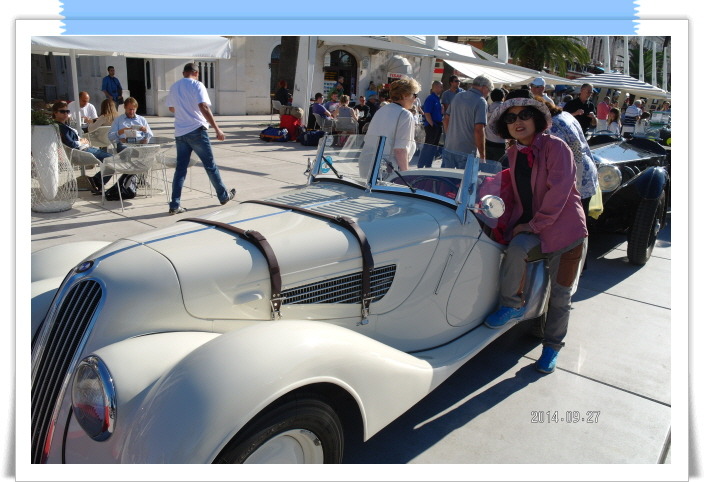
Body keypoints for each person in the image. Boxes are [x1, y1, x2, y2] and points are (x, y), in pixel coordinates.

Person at [485, 94, 588, 374]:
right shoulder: (514, 152)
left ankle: (552, 347)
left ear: (537, 119)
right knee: (516, 248)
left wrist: (533, 225)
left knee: (560, 296)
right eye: (510, 118)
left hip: (566, 233)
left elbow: (560, 192)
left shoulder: (556, 147)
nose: (517, 122)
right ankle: (512, 304)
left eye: (524, 115)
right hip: (534, 227)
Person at [166, 62, 236, 215]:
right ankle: (223, 196)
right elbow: (203, 106)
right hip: (196, 130)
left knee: (180, 169)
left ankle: (174, 204)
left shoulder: (174, 87)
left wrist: (183, 109)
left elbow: (171, 107)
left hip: (180, 132)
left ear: (184, 73)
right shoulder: (197, 85)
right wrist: (217, 128)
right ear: (196, 73)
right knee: (210, 165)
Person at [361, 77, 421, 176]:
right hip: (385, 169)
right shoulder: (405, 114)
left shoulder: (382, 110)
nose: (415, 99)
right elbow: (400, 150)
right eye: (414, 95)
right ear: (405, 95)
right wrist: (406, 176)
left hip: (367, 164)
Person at [52, 100, 113, 193]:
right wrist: (81, 141)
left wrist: (81, 140)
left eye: (67, 111)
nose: (65, 114)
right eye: (62, 111)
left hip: (83, 149)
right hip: (80, 152)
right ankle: (96, 181)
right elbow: (71, 144)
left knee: (112, 160)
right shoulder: (60, 127)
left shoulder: (64, 125)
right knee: (112, 160)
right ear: (55, 113)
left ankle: (96, 181)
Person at [442, 75, 493, 168]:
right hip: (467, 151)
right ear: (484, 88)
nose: (488, 94)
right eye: (489, 90)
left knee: (446, 176)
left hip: (449, 147)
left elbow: (446, 119)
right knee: (464, 177)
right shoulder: (481, 101)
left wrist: (450, 136)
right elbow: (479, 130)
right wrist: (482, 156)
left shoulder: (458, 96)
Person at [417, 80, 444, 168]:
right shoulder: (430, 98)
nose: (442, 89)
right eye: (440, 87)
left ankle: (428, 164)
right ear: (436, 87)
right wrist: (432, 124)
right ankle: (421, 164)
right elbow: (427, 112)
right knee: (428, 146)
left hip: (437, 124)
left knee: (433, 147)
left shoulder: (437, 99)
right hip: (432, 125)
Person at [485, 88, 507, 162]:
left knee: (488, 165)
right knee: (499, 165)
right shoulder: (505, 108)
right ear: (503, 97)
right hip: (500, 142)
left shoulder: (487, 108)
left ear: (491, 98)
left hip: (488, 141)